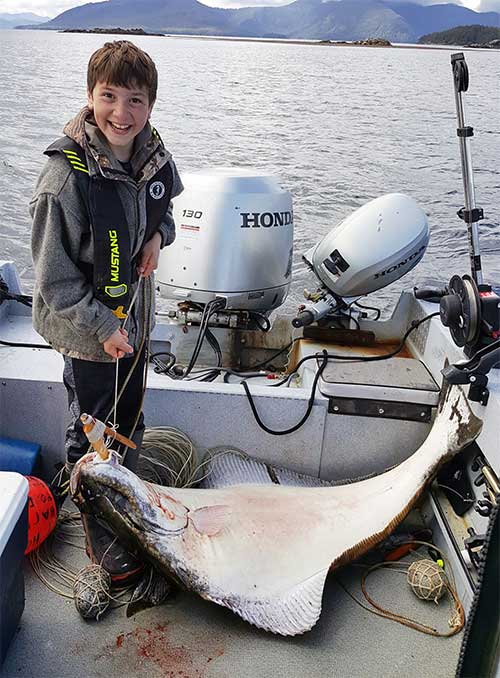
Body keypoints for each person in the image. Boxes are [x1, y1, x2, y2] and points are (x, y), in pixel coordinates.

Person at [30, 40, 183, 583]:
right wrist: (104, 327)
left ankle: (129, 501)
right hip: (89, 332)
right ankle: (98, 527)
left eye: (136, 100)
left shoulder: (150, 152)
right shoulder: (65, 178)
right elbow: (51, 283)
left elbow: (166, 210)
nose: (122, 113)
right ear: (89, 96)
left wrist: (157, 240)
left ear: (151, 104)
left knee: (130, 418)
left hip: (135, 322)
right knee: (92, 430)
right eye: (109, 96)